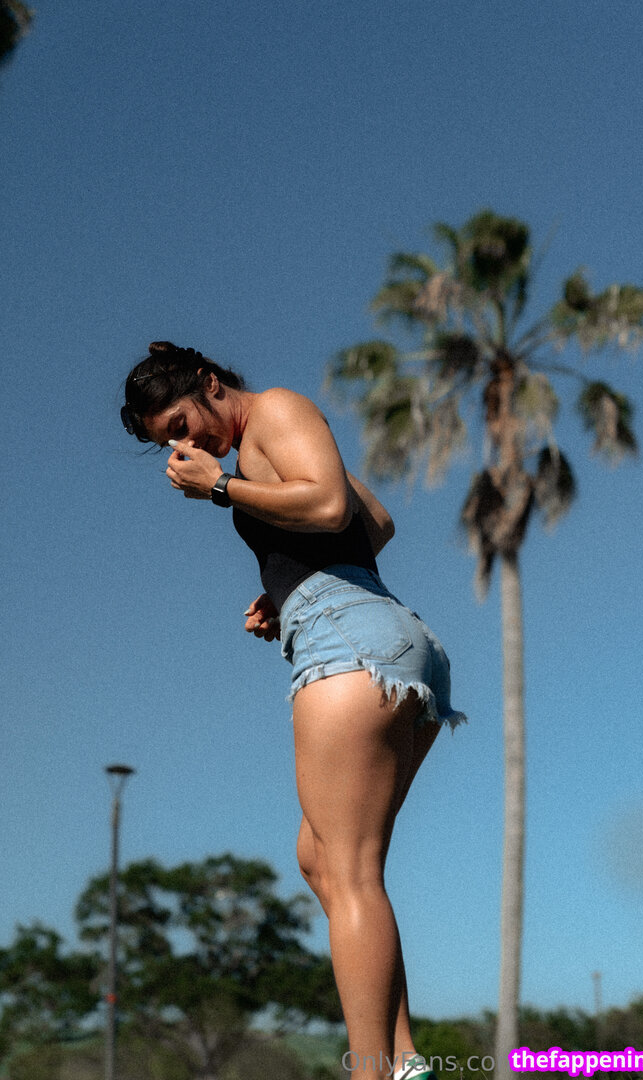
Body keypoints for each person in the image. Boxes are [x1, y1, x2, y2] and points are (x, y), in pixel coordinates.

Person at [121, 341, 467, 1080]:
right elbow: (374, 522)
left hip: (351, 642)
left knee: (350, 870)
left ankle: (372, 1072)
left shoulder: (275, 409)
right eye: (170, 441)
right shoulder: (267, 441)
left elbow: (330, 504)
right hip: (375, 631)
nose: (186, 446)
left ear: (211, 384)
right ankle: (405, 1061)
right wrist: (289, 588)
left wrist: (223, 488)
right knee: (321, 859)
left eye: (182, 424)